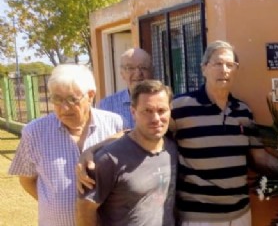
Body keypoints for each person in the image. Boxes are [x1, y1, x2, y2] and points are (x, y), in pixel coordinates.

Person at [171, 40, 278, 226]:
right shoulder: (180, 107)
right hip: (199, 217)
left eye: (230, 65)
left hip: (240, 214)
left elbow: (260, 158)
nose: (224, 70)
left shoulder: (243, 111)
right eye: (217, 63)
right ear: (204, 69)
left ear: (236, 70)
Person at [8, 64, 123, 226]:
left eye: (72, 99)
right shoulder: (34, 132)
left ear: (90, 96)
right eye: (57, 99)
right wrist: (54, 205)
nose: (64, 107)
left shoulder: (114, 123)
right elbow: (27, 179)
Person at [76, 79, 178, 226]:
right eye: (147, 111)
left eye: (161, 111)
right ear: (133, 112)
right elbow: (85, 208)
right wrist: (89, 151)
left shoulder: (172, 148)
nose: (155, 118)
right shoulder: (109, 159)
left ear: (170, 110)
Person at [98, 47, 153, 129]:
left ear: (151, 71)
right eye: (130, 68)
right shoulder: (106, 106)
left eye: (143, 68)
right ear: (122, 74)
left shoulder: (164, 102)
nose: (138, 73)